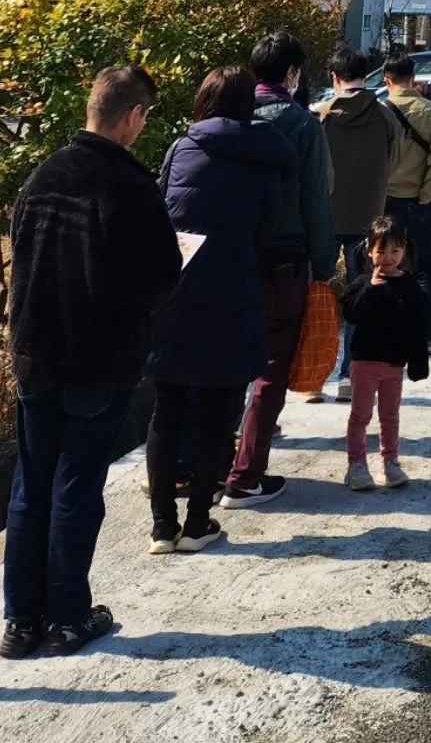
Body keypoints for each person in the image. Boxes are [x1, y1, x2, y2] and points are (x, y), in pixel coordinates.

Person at [3, 67, 182, 659]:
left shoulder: (41, 176)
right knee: (76, 487)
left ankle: (20, 620)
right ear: (133, 116)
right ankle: (67, 618)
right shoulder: (129, 188)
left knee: (31, 486)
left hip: (35, 352)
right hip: (96, 359)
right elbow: (157, 280)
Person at [147, 67, 296, 555]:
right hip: (233, 291)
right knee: (216, 411)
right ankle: (198, 524)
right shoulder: (266, 156)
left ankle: (162, 527)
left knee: (166, 409)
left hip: (174, 287)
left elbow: (159, 210)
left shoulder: (181, 147)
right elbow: (266, 226)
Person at [221, 33, 335, 511]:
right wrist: (325, 268)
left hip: (230, 260)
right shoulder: (303, 126)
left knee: (225, 364)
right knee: (271, 370)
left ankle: (208, 466)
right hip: (284, 262)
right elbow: (316, 200)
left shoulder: (228, 118)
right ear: (292, 74)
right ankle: (245, 477)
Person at [318, 45, 400, 402]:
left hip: (324, 215)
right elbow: (393, 164)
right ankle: (348, 374)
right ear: (365, 77)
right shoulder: (385, 116)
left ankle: (310, 376)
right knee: (360, 295)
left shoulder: (319, 116)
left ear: (334, 78)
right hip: (368, 216)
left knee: (318, 295)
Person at [341, 215, 430, 492]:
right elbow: (351, 314)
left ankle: (391, 462)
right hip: (364, 363)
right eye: (381, 250)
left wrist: (418, 362)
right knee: (361, 416)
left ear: (404, 250)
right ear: (369, 251)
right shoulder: (362, 284)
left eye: (395, 250)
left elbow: (417, 327)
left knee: (390, 416)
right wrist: (371, 288)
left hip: (394, 365)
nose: (388, 257)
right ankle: (356, 465)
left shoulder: (411, 286)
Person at [381, 53, 431, 352]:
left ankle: (390, 331)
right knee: (423, 268)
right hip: (420, 200)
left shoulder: (380, 111)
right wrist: (427, 195)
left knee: (384, 266)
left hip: (385, 200)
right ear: (413, 79)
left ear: (386, 81)